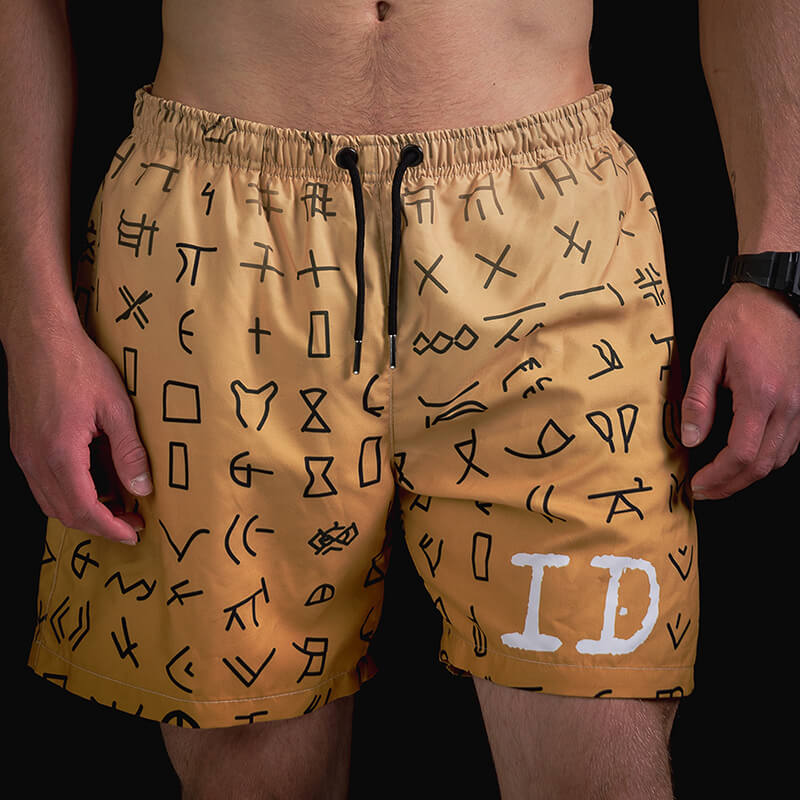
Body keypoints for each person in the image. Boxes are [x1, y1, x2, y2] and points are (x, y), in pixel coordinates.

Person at [2, 1, 798, 798]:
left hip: (552, 234)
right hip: (215, 238)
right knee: (250, 773)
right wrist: (34, 325)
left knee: (601, 764)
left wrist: (777, 267)